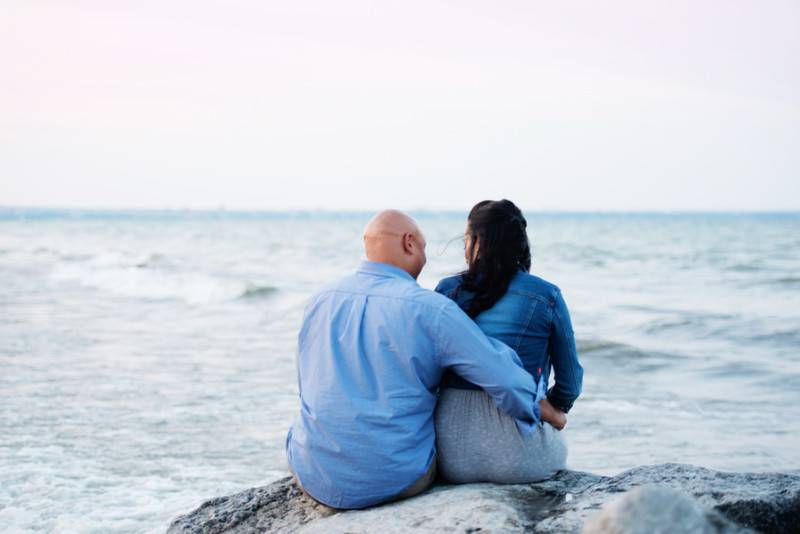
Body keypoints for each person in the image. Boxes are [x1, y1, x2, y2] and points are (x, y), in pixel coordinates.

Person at [285, 209, 545, 509]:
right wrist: (541, 410)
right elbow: (506, 379)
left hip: (313, 477)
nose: (424, 256)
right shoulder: (430, 309)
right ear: (409, 243)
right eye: (423, 247)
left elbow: (307, 382)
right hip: (395, 480)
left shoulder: (321, 298)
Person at [434, 199, 583, 483]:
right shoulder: (546, 294)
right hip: (518, 458)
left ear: (475, 241)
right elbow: (570, 380)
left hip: (451, 454)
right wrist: (551, 409)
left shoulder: (446, 290)